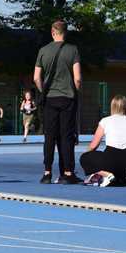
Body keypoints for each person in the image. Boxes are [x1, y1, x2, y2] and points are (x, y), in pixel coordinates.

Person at [33, 20, 82, 185]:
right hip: (67, 97)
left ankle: (47, 172)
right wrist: (75, 91)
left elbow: (36, 77)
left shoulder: (43, 51)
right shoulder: (72, 50)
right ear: (65, 32)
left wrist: (43, 91)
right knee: (66, 136)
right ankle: (67, 172)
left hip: (50, 98)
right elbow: (77, 78)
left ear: (52, 32)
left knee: (50, 136)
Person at [80, 95, 126, 187]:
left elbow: (93, 146)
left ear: (112, 107)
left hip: (110, 162)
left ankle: (107, 175)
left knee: (84, 157)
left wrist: (88, 156)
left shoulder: (105, 121)